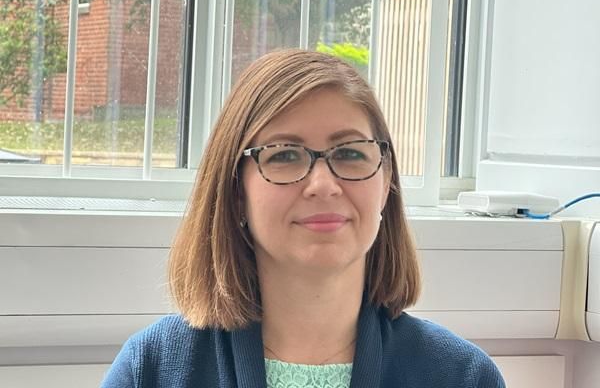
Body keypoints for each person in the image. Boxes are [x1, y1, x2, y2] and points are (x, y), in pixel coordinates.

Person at [101, 49, 505, 388]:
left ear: (386, 184)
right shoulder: (152, 369)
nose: (323, 185)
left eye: (350, 152)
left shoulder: (461, 376)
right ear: (235, 192)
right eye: (284, 155)